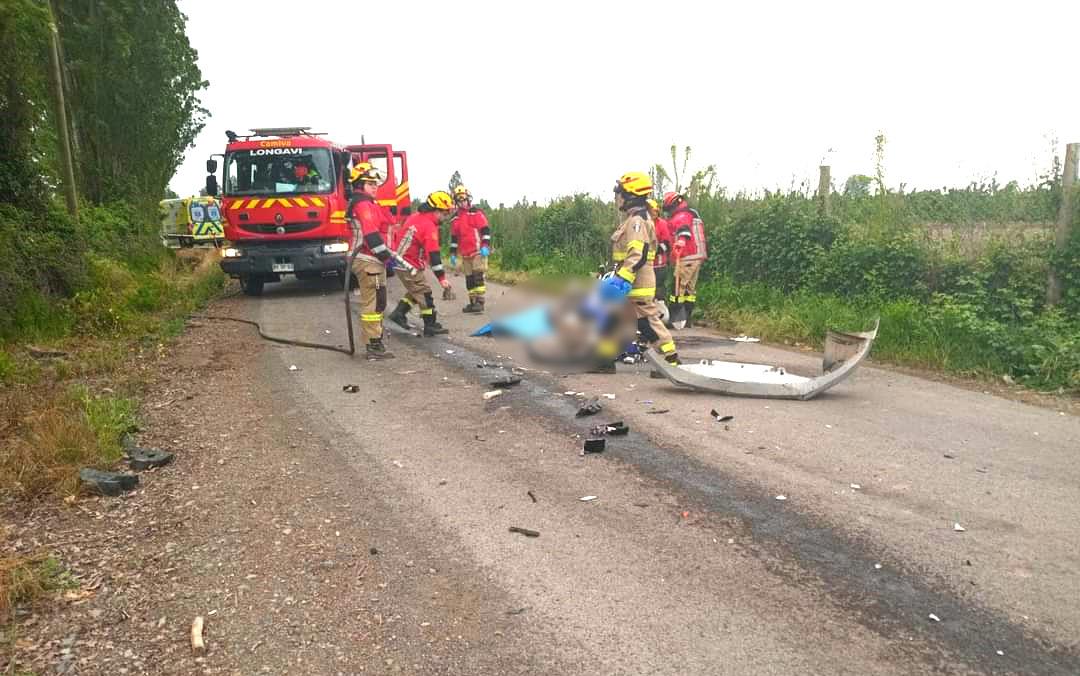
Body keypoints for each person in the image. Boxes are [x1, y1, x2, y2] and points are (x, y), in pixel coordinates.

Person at [592, 172, 679, 373]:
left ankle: (671, 360)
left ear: (631, 195)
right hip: (630, 278)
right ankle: (603, 361)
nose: (618, 197)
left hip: (637, 281)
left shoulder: (637, 221)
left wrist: (622, 279)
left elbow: (638, 254)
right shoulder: (634, 218)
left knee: (646, 323)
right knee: (613, 318)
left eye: (621, 193)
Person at [386, 191, 455, 336]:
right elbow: (434, 256)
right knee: (424, 293)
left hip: (400, 261)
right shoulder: (429, 226)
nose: (445, 218)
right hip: (408, 264)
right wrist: (442, 279)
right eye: (445, 214)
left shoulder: (416, 217)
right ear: (436, 210)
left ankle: (398, 314)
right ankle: (430, 325)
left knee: (415, 290)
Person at [347, 162, 395, 360]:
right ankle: (373, 345)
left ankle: (376, 340)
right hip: (367, 259)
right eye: (370, 183)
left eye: (375, 183)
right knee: (373, 303)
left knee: (379, 301)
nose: (375, 187)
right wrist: (386, 257)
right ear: (359, 185)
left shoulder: (370, 204)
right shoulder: (362, 205)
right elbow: (371, 234)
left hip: (373, 259)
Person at [663, 191, 708, 328]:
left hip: (687, 256)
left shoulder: (682, 216)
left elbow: (683, 230)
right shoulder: (691, 214)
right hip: (696, 256)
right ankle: (687, 319)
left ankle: (675, 320)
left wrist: (681, 241)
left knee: (678, 289)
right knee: (689, 290)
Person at [449, 185, 491, 313]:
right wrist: (453, 254)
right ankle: (472, 303)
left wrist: (485, 245)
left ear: (468, 198)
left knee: (478, 276)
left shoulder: (476, 213)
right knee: (469, 279)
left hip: (478, 251)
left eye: (464, 198)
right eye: (459, 200)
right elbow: (454, 238)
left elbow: (485, 231)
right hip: (465, 254)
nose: (462, 202)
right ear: (456, 201)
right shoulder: (455, 218)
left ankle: (480, 302)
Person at [647, 198, 672, 319]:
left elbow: (666, 243)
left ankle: (661, 313)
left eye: (656, 211)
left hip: (659, 264)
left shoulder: (661, 224)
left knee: (659, 287)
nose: (654, 213)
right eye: (652, 211)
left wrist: (655, 251)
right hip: (645, 265)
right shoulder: (642, 223)